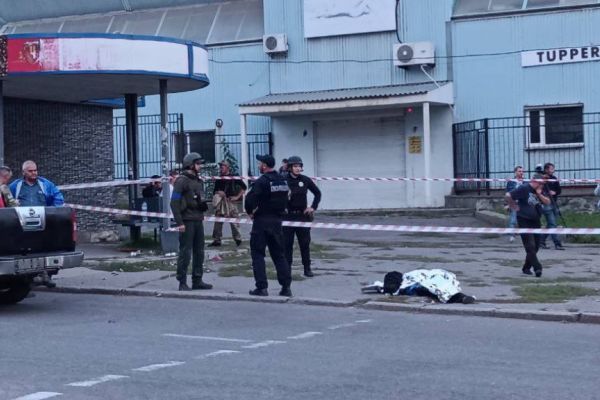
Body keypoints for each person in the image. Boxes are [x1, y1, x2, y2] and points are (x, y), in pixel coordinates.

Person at [245, 154, 292, 297]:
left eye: (260, 163)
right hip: (277, 221)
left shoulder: (262, 181)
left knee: (258, 254)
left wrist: (250, 212)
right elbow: (287, 198)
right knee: (279, 255)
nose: (259, 165)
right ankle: (286, 287)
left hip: (262, 221)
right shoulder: (282, 180)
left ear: (264, 165)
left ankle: (262, 287)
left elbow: (250, 200)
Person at [170, 152, 213, 291]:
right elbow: (174, 203)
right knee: (185, 252)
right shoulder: (181, 181)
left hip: (198, 219)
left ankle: (197, 280)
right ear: (190, 165)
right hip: (187, 220)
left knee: (199, 251)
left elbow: (200, 198)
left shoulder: (198, 180)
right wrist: (179, 223)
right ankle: (182, 281)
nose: (200, 166)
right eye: (198, 164)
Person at [505, 173, 551, 278]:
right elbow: (508, 195)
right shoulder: (524, 188)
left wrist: (539, 194)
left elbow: (547, 202)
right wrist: (513, 206)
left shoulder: (540, 189)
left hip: (536, 220)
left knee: (537, 246)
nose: (542, 185)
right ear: (535, 181)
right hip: (524, 219)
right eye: (540, 183)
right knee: (530, 246)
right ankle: (537, 267)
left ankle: (526, 267)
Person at [283, 156, 321, 277]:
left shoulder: (305, 180)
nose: (298, 168)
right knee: (287, 245)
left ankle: (307, 268)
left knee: (304, 244)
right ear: (290, 167)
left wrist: (313, 207)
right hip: (288, 217)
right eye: (295, 166)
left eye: (299, 166)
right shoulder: (283, 179)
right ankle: (287, 270)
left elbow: (317, 193)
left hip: (302, 216)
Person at [361, 269, 476, 304]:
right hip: (421, 284)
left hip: (429, 277)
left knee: (439, 287)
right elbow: (378, 286)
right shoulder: (393, 287)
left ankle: (462, 298)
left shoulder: (407, 282)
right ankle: (462, 298)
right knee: (436, 290)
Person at [209, 160, 247, 247]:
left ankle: (238, 239)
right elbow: (215, 191)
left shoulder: (234, 177)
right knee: (218, 221)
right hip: (221, 202)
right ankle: (217, 240)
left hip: (231, 201)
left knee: (234, 221)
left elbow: (244, 187)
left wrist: (237, 197)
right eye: (220, 166)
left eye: (222, 166)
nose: (221, 168)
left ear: (227, 167)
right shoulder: (219, 178)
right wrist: (219, 193)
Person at [539, 162, 564, 250]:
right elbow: (538, 190)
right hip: (546, 204)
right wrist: (545, 193)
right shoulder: (542, 179)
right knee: (552, 223)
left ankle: (541, 241)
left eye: (553, 168)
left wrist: (555, 192)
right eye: (551, 169)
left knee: (551, 224)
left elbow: (559, 190)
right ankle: (557, 243)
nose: (553, 170)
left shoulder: (554, 179)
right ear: (546, 170)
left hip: (554, 203)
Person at [505, 165, 524, 242]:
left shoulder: (525, 181)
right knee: (513, 220)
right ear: (515, 172)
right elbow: (508, 193)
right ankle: (512, 236)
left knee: (524, 219)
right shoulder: (511, 182)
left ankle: (525, 235)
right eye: (519, 171)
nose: (521, 173)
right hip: (514, 203)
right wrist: (507, 204)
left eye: (522, 171)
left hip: (523, 203)